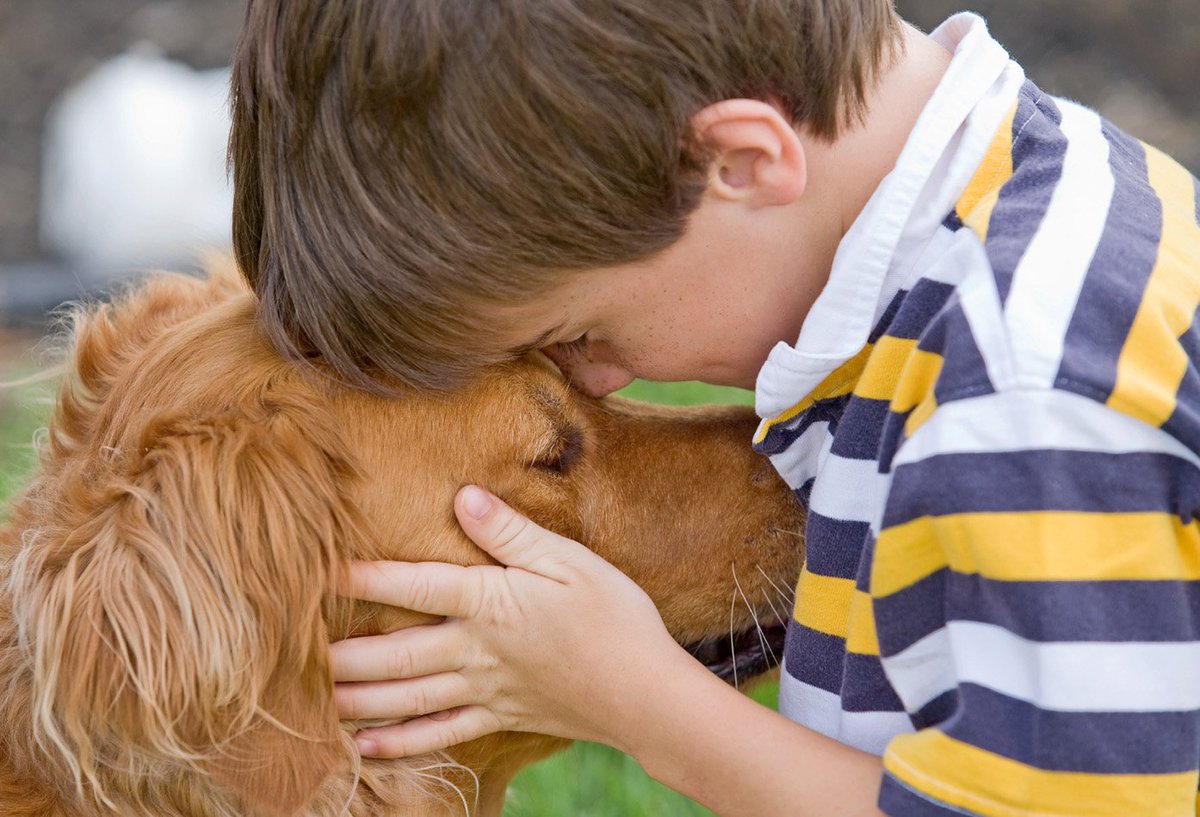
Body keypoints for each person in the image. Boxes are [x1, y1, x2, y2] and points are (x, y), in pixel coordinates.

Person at [227, 1, 1200, 815]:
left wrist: (645, 704)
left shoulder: (1019, 396)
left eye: (580, 334)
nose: (603, 379)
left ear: (738, 163)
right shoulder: (1032, 215)